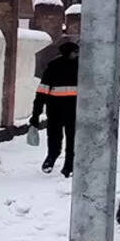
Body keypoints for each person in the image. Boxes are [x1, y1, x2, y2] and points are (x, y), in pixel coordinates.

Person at [30, 40, 79, 177]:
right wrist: (36, 114)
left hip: (69, 110)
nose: (77, 54)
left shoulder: (81, 67)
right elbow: (42, 92)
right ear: (68, 53)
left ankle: (68, 164)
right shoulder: (54, 67)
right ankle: (52, 157)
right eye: (75, 52)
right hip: (58, 109)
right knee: (54, 136)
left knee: (72, 138)